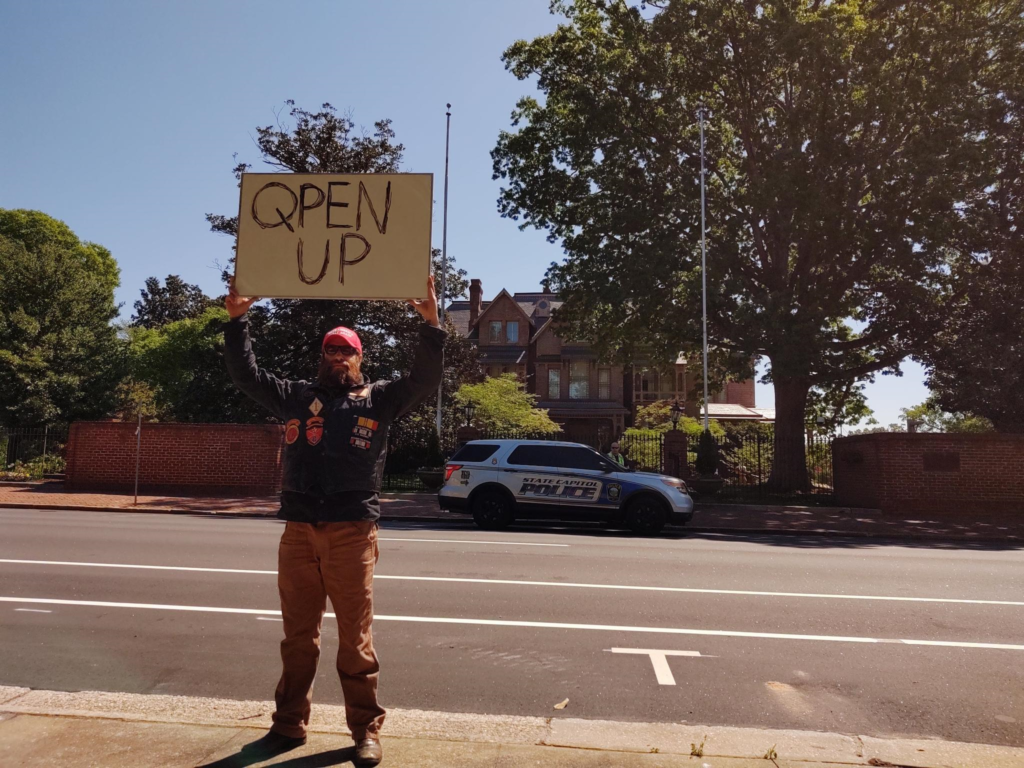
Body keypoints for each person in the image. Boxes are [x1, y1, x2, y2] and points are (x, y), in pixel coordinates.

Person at [223, 275, 444, 767]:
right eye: (330, 351)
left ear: (359, 357)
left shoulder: (380, 398)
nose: (338, 358)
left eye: (346, 351)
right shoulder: (296, 396)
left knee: (354, 638)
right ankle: (287, 725)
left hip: (352, 531)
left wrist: (430, 324)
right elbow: (247, 377)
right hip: (298, 530)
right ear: (321, 356)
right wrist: (238, 322)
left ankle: (365, 730)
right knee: (298, 636)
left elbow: (424, 380)